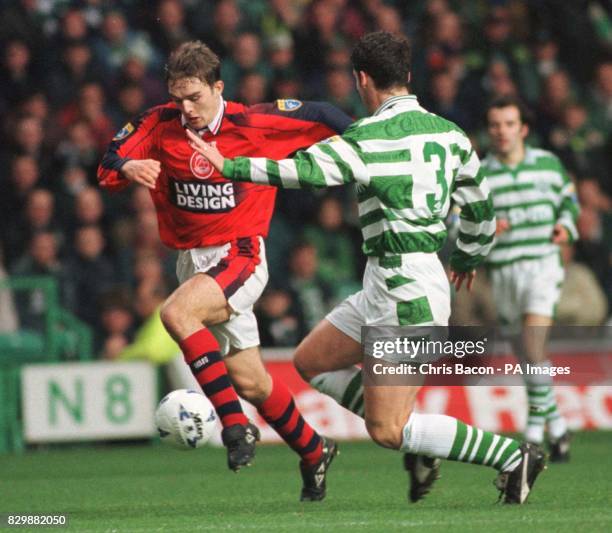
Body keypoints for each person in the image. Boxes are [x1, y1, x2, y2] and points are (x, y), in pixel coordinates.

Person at [189, 31, 546, 505]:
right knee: (310, 361)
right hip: (392, 282)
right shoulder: (451, 134)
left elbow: (302, 171)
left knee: (387, 430)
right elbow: (480, 210)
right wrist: (468, 256)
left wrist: (230, 166)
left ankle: (511, 456)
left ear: (361, 80)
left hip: (406, 293)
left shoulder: (366, 138)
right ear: (408, 76)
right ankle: (421, 436)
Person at [97, 40, 352, 500]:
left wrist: (369, 142)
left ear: (218, 87)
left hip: (241, 253)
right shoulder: (158, 123)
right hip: (192, 262)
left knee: (176, 315)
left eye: (195, 97)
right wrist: (130, 165)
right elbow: (109, 161)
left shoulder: (251, 122)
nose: (186, 108)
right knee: (253, 382)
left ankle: (235, 428)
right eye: (178, 98)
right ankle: (314, 449)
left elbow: (320, 112)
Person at [481, 95, 579, 461]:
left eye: (509, 124)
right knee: (527, 357)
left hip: (541, 264)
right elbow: (457, 219)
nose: (502, 131)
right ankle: (558, 427)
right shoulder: (480, 174)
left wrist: (565, 226)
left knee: (534, 345)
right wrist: (486, 226)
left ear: (522, 128)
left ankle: (533, 434)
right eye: (495, 125)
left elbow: (569, 201)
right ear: (489, 130)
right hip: (504, 272)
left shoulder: (548, 165)